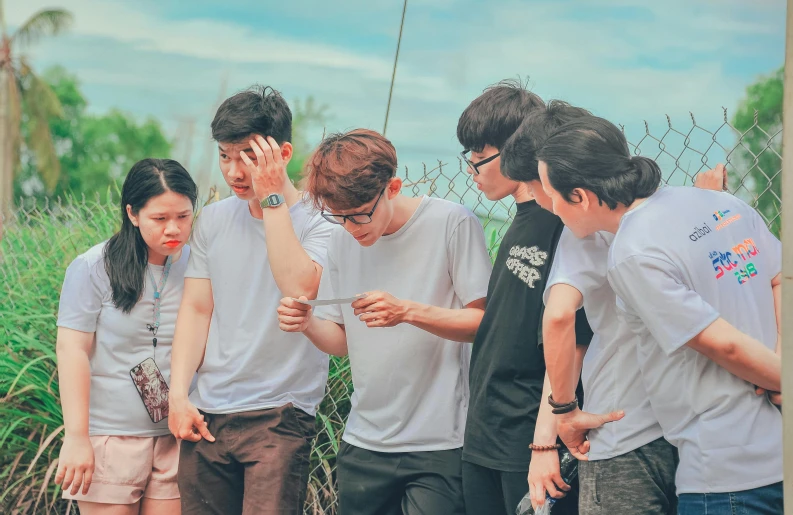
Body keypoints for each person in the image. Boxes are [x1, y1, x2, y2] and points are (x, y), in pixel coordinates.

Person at [536, 115, 783, 515]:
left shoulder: (632, 253)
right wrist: (779, 362)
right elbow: (780, 278)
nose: (550, 207)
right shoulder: (718, 202)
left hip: (726, 470)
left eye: (551, 196)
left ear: (579, 196)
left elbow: (724, 346)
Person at [277, 128, 492, 515]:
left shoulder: (452, 223)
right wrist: (307, 322)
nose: (352, 227)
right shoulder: (341, 238)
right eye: (339, 218)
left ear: (393, 187)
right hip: (364, 441)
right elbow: (342, 342)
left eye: (360, 215)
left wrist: (407, 312)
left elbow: (485, 324)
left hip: (440, 442)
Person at [167, 86, 333, 515]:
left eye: (248, 155)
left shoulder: (322, 221)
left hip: (281, 414)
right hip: (208, 411)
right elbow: (197, 308)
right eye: (225, 155)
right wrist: (179, 395)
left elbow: (300, 286)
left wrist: (272, 197)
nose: (235, 171)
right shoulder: (215, 219)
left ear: (283, 153)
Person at [455, 85, 592, 515]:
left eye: (481, 153)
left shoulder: (563, 223)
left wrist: (544, 442)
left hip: (532, 442)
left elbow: (571, 339)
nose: (472, 167)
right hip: (484, 435)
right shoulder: (520, 222)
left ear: (520, 149)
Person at [55, 158, 198, 515]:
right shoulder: (93, 267)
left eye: (183, 216)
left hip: (176, 437)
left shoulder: (198, 265)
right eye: (160, 219)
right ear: (132, 214)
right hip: (109, 438)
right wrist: (77, 437)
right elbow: (71, 349)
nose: (174, 229)